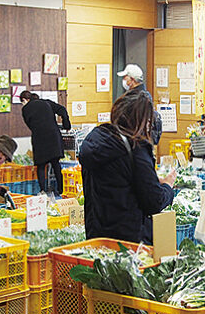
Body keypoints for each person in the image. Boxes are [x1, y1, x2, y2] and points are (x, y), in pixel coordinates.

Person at [78, 91, 175, 243]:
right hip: (129, 241)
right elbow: (154, 202)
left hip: (97, 235)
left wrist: (153, 180)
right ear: (144, 120)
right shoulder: (135, 148)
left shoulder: (96, 140)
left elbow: (118, 180)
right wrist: (168, 187)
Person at [20, 90, 71, 196]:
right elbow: (62, 109)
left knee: (41, 166)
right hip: (53, 136)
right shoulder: (46, 102)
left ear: (25, 100)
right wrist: (66, 124)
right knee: (56, 164)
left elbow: (29, 124)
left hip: (39, 138)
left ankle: (43, 190)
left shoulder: (26, 109)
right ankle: (61, 190)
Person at [119, 64, 163, 144]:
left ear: (132, 80)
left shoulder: (135, 98)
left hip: (135, 141)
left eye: (125, 77)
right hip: (143, 141)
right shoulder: (146, 95)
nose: (123, 80)